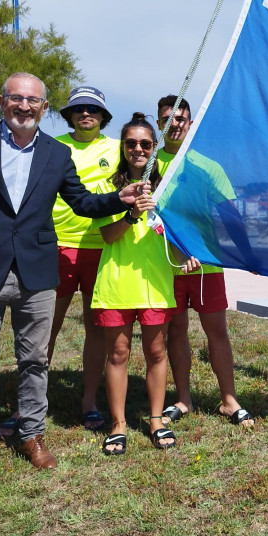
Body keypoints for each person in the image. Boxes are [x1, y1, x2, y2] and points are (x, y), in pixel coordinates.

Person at [0, 72, 147, 494]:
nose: (25, 107)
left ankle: (33, 435)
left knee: (35, 360)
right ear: (3, 101)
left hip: (36, 271)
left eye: (33, 101)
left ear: (44, 108)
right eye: (17, 99)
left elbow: (82, 201)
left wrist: (117, 200)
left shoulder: (56, 153)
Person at [0, 86, 119, 438]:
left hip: (102, 248)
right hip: (55, 247)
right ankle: (25, 407)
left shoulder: (116, 149)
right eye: (78, 109)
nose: (86, 115)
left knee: (96, 329)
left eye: (93, 110)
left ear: (103, 117)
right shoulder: (51, 146)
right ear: (67, 114)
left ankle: (90, 401)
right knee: (43, 330)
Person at [91, 113, 192, 455]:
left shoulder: (168, 187)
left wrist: (186, 255)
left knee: (156, 352)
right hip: (117, 282)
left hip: (155, 282)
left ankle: (155, 419)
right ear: (123, 146)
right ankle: (118, 424)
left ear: (154, 148)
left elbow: (176, 239)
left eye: (145, 144)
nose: (138, 149)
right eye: (131, 143)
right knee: (118, 353)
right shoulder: (108, 185)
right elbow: (108, 235)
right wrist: (131, 212)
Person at [156, 95, 255, 428]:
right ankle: (183, 399)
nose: (175, 124)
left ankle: (229, 400)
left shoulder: (207, 166)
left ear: (190, 124)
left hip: (206, 265)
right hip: (165, 265)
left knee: (217, 331)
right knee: (176, 332)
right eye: (168, 118)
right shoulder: (147, 164)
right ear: (159, 124)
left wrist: (248, 254)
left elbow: (231, 215)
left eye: (181, 118)